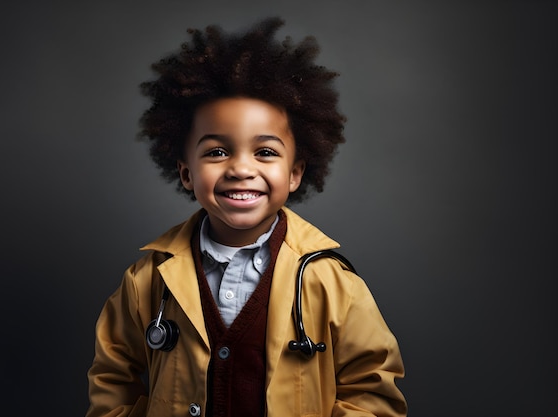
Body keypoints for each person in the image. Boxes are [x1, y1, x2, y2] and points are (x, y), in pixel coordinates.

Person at [86, 17, 407, 417]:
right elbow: (111, 376)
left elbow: (372, 388)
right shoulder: (147, 280)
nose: (241, 169)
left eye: (266, 152)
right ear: (186, 171)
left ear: (295, 173)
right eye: (217, 152)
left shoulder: (330, 282)